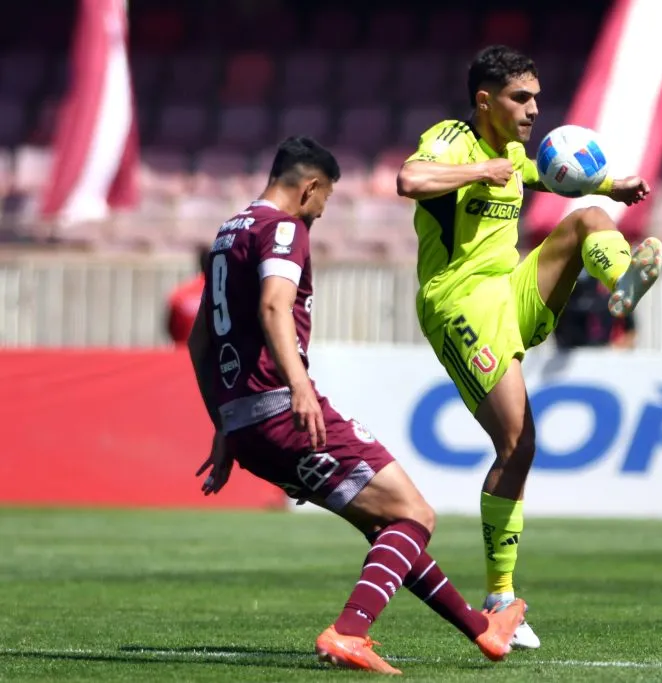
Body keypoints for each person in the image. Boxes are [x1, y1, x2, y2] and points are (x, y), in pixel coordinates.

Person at [188, 136, 525, 675]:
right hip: (282, 407)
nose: (322, 212)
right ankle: (349, 632)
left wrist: (224, 426)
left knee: (388, 525)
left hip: (245, 420)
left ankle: (482, 629)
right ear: (310, 187)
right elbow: (276, 305)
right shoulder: (282, 228)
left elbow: (200, 341)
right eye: (325, 200)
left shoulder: (229, 232)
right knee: (416, 513)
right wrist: (298, 386)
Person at [396, 44, 662, 648]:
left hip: (509, 290)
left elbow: (541, 173)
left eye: (538, 98)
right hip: (459, 302)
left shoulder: (514, 153)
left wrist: (611, 184)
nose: (534, 109)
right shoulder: (451, 139)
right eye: (522, 98)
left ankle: (620, 283)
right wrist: (477, 172)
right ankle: (499, 597)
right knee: (518, 443)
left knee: (588, 217)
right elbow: (408, 179)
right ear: (485, 100)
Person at [553, 271, 637, 350]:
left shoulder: (615, 297)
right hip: (568, 352)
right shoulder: (567, 295)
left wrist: (613, 350)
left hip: (606, 355)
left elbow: (630, 331)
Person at [166, 246, 208, 346]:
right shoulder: (223, 293)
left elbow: (171, 327)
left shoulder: (181, 292)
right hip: (212, 356)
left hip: (182, 353)